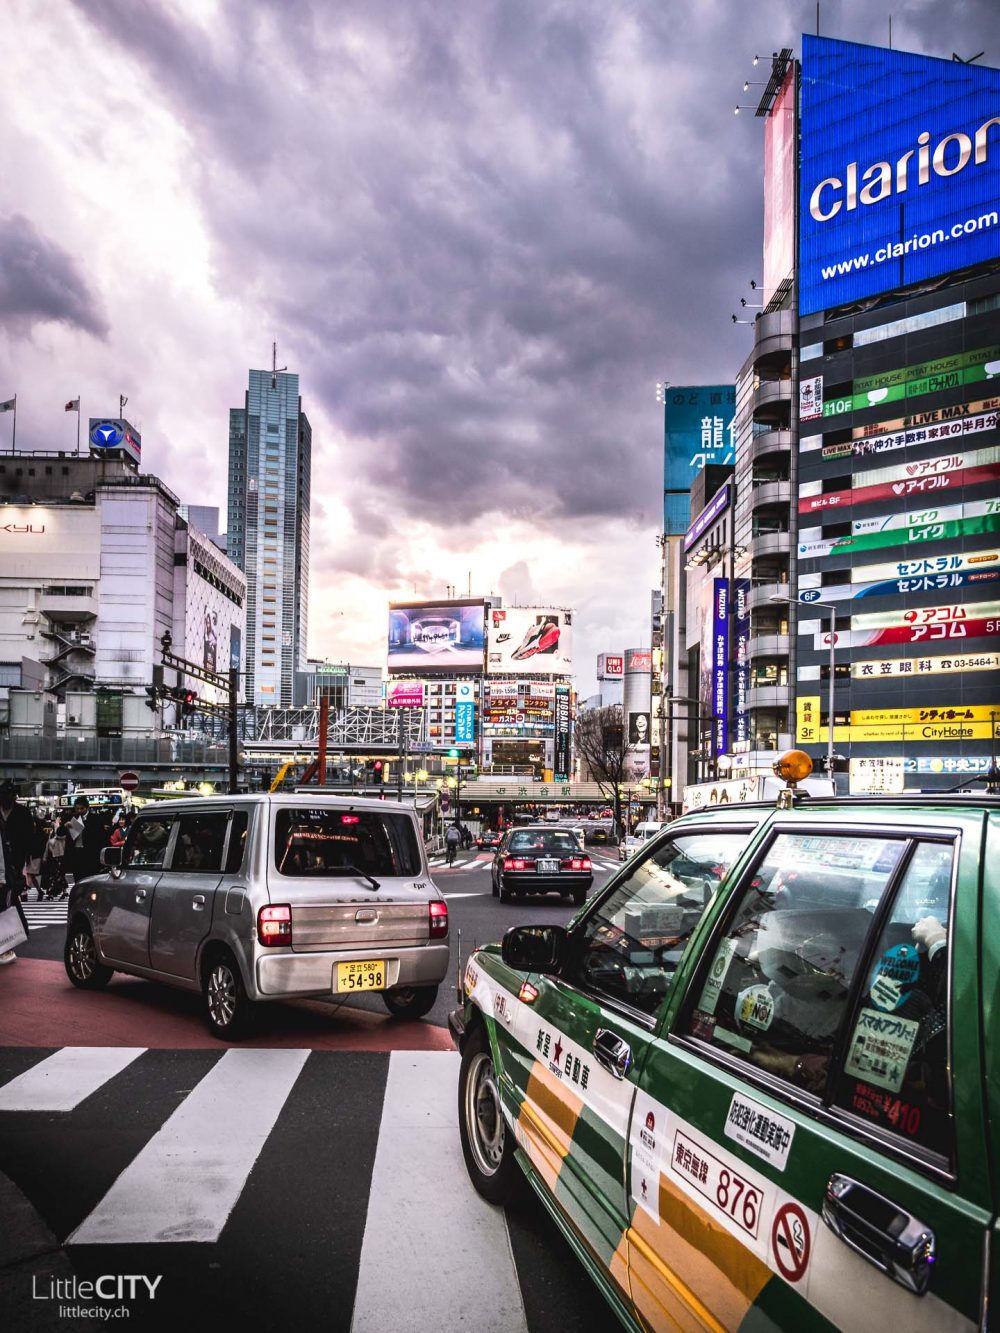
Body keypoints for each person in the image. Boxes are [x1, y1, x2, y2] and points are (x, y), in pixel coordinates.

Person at [0, 781, 33, 964]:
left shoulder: (23, 813)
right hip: (3, 860)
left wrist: (26, 862)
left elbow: (29, 839)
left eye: (9, 795)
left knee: (9, 899)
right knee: (8, 900)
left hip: (15, 862)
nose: (6, 798)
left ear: (15, 797)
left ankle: (14, 934)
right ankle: (20, 930)